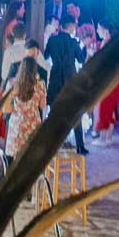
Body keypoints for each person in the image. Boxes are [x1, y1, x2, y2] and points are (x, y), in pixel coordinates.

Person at [44, 16, 87, 154]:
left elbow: (45, 56)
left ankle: (52, 144)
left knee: (54, 114)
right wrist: (84, 46)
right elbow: (81, 59)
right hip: (70, 81)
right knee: (75, 114)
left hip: (56, 81)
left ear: (61, 26)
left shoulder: (52, 40)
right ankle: (80, 146)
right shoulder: (74, 42)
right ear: (71, 27)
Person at [5, 56, 47, 161]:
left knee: (16, 160)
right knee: (31, 159)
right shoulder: (40, 84)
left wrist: (15, 109)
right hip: (33, 127)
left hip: (17, 128)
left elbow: (6, 109)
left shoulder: (12, 84)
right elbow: (42, 106)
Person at [93, 24, 119, 139]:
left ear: (105, 30)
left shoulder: (108, 43)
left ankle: (103, 137)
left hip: (107, 79)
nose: (97, 30)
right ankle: (107, 136)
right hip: (113, 79)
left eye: (98, 28)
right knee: (110, 106)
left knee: (105, 106)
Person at [1, 21, 28, 87]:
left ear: (13, 34)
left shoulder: (8, 52)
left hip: (13, 88)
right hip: (29, 86)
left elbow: (4, 76)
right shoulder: (32, 49)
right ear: (25, 35)